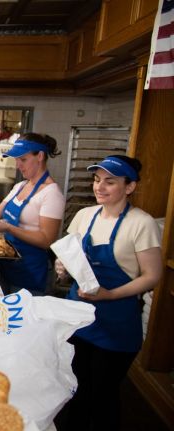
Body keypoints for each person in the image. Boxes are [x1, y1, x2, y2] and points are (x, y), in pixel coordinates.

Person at [55, 155, 162, 431]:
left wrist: (110, 295)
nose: (99, 187)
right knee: (73, 390)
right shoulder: (83, 216)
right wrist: (63, 266)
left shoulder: (141, 223)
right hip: (79, 318)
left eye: (110, 182)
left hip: (115, 323)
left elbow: (153, 276)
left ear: (130, 187)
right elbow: (71, 257)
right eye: (97, 180)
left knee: (102, 397)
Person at [0, 133, 65, 295]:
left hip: (31, 273)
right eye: (17, 159)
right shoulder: (20, 186)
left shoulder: (51, 193)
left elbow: (46, 240)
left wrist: (8, 228)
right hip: (8, 266)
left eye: (23, 159)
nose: (18, 165)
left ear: (40, 156)